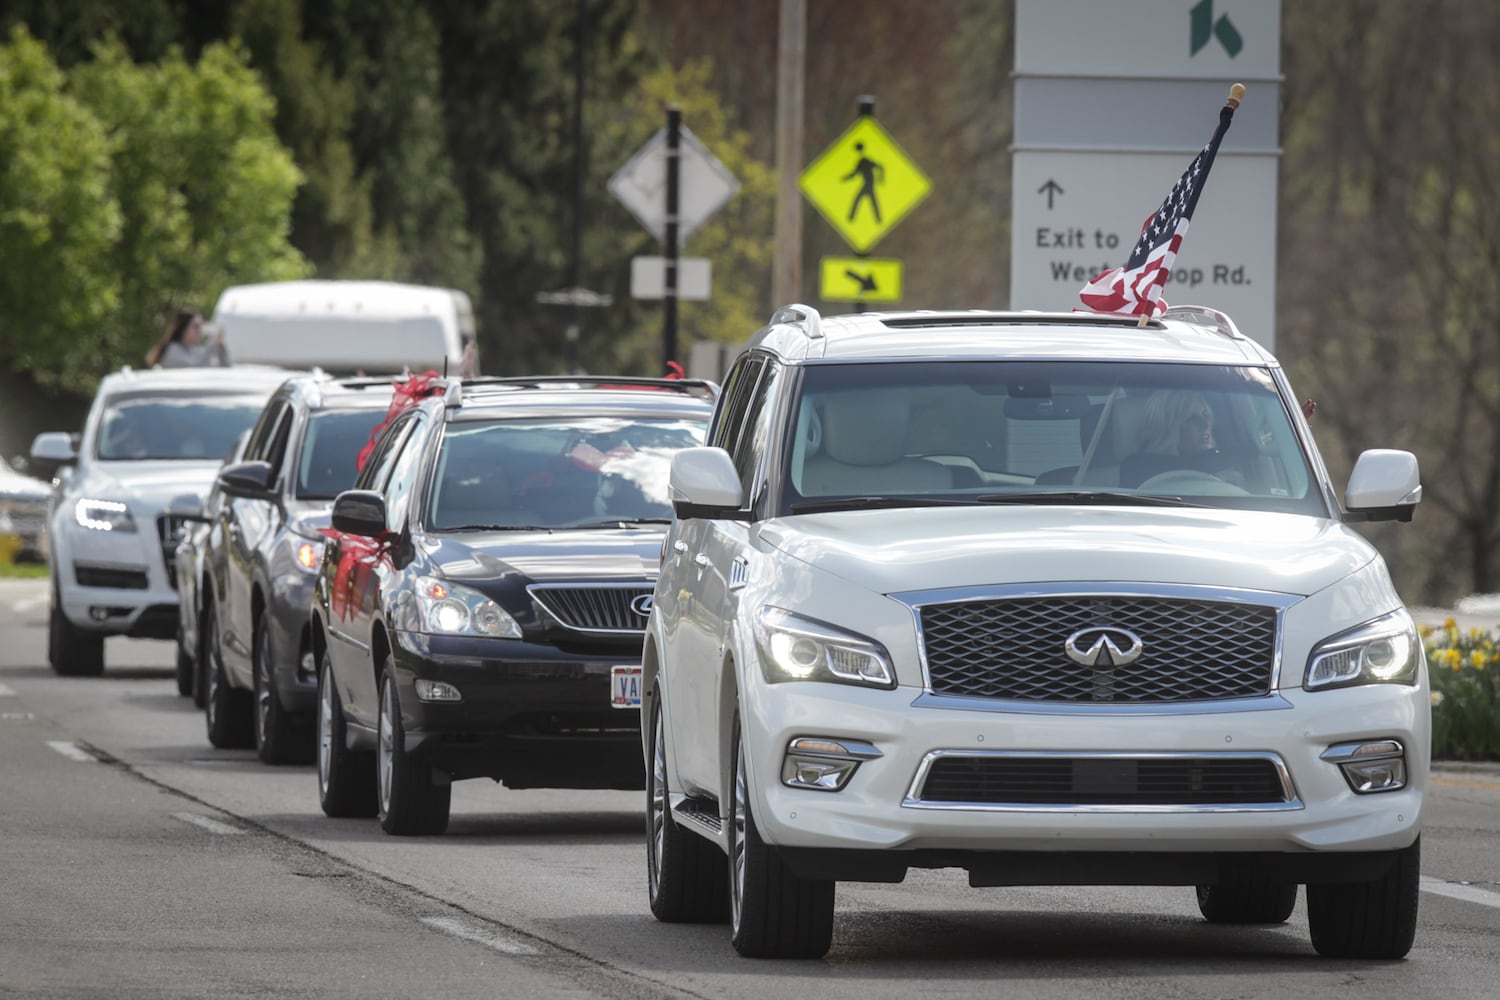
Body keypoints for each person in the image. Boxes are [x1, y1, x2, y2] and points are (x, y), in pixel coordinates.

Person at [1119, 389, 1242, 489]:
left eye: (1206, 415)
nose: (1205, 424)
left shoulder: (1225, 465)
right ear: (1166, 429)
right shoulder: (1138, 469)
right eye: (1190, 419)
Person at [146, 309, 230, 368]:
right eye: (196, 327)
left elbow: (223, 369)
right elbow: (196, 370)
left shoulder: (195, 350)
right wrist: (212, 347)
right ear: (183, 328)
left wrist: (221, 349)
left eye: (201, 326)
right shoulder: (172, 351)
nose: (200, 331)